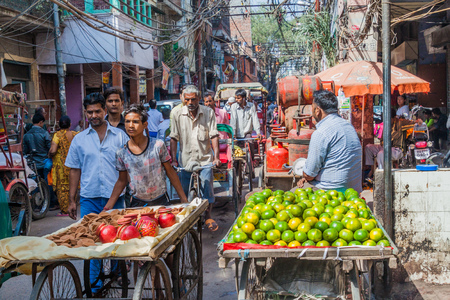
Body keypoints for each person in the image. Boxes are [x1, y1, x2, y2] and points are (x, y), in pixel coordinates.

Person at [104, 104, 187, 209]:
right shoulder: (122, 152)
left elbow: (170, 172)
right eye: (127, 121)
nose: (131, 125)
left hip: (161, 201)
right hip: (137, 204)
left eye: (135, 122)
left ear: (145, 124)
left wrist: (183, 199)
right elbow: (122, 180)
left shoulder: (158, 145)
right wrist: (107, 207)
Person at [65, 92, 129, 220]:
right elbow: (74, 170)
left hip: (115, 198)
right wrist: (71, 200)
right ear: (85, 112)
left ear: (105, 110)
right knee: (88, 236)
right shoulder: (79, 139)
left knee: (116, 236)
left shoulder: (120, 136)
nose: (94, 116)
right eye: (90, 112)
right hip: (88, 199)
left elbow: (129, 169)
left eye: (97, 111)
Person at [170, 85, 221, 231]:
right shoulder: (178, 114)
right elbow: (173, 138)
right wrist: (173, 159)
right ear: (183, 100)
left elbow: (214, 135)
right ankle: (187, 215)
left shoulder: (208, 112)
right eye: (187, 100)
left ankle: (208, 215)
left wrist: (216, 158)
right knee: (184, 191)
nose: (190, 102)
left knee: (207, 187)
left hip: (204, 159)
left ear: (199, 98)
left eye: (193, 99)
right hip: (185, 160)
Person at [296, 90, 362, 193]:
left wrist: (306, 175)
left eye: (312, 108)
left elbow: (309, 174)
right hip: (353, 189)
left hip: (330, 191)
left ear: (318, 110)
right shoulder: (349, 127)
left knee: (291, 195)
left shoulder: (321, 133)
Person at [365, 109, 413, 179]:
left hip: (397, 149)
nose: (386, 121)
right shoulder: (386, 125)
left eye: (388, 119)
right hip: (384, 147)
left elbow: (414, 123)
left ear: (394, 118)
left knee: (381, 154)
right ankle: (372, 171)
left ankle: (382, 177)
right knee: (368, 147)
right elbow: (381, 140)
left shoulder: (401, 122)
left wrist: (418, 122)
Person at [49, 116, 78, 216]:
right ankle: (73, 205)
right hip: (74, 165)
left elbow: (53, 150)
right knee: (73, 185)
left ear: (59, 125)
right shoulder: (76, 135)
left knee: (62, 189)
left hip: (61, 167)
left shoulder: (57, 135)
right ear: (70, 124)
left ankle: (65, 210)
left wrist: (49, 154)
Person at [230, 89, 261, 165]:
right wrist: (233, 133)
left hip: (247, 133)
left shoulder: (251, 106)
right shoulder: (234, 107)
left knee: (250, 144)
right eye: (236, 98)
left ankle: (251, 163)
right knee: (234, 151)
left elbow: (255, 119)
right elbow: (233, 121)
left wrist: (258, 132)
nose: (236, 100)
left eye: (238, 98)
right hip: (237, 134)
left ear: (244, 98)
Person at [23, 114, 52, 180]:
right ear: (41, 122)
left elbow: (25, 151)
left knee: (36, 183)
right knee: (47, 182)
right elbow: (50, 148)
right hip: (44, 162)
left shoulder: (27, 135)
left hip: (33, 164)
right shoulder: (44, 133)